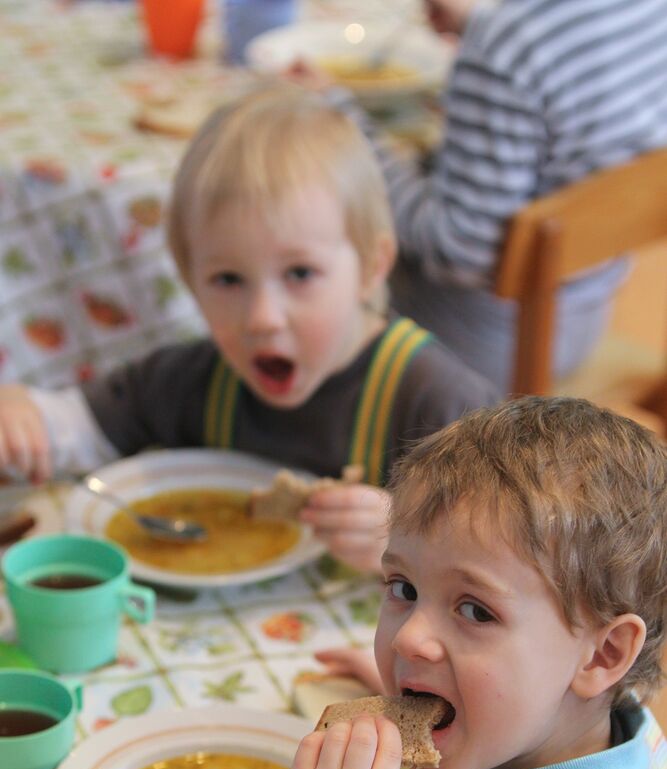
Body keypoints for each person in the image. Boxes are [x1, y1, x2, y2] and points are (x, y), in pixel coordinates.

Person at [0, 82, 497, 574]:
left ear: (371, 266)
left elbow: (520, 555)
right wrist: (24, 415)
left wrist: (411, 547)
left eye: (299, 274)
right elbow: (81, 427)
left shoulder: (442, 406)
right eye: (227, 279)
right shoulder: (190, 380)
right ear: (190, 280)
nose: (261, 317)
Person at [278, 396, 667, 769]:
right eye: (404, 587)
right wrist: (419, 684)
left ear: (603, 655)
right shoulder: (624, 734)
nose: (409, 636)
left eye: (475, 610)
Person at [297, 0, 667, 392]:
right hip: (587, 313)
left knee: (310, 248)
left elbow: (457, 250)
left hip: (484, 347)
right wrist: (481, 33)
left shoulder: (507, 44)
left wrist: (341, 120)